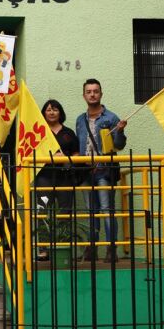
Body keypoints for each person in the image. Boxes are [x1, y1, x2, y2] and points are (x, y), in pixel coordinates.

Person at [75, 79, 127, 263]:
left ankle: (111, 248)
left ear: (101, 94)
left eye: (95, 91)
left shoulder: (111, 118)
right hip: (86, 171)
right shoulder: (80, 120)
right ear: (84, 95)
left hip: (104, 171)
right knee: (91, 211)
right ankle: (92, 248)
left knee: (106, 209)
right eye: (88, 91)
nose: (92, 94)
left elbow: (119, 146)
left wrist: (119, 131)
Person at [33, 99, 80, 261]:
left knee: (65, 212)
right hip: (44, 177)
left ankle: (63, 246)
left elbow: (77, 155)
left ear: (60, 113)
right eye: (48, 110)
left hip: (64, 177)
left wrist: (65, 158)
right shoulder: (39, 132)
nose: (51, 112)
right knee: (42, 212)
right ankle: (43, 249)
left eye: (55, 109)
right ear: (43, 113)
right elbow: (32, 152)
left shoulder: (68, 133)